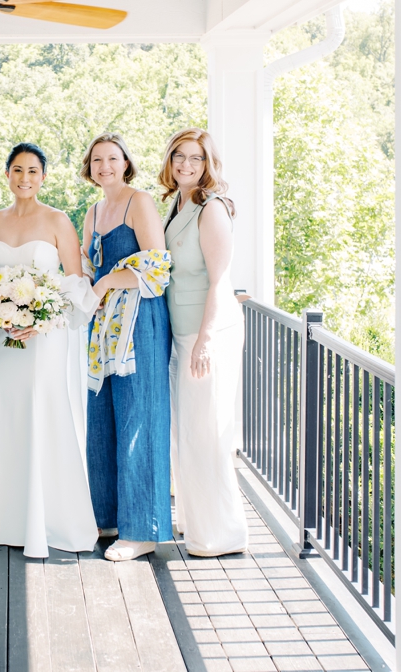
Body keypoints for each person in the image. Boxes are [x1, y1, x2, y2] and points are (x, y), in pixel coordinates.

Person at [0, 143, 99, 558]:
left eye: (33, 170)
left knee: (41, 414)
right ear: (6, 175)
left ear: (43, 177)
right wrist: (0, 315)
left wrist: (40, 318)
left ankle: (47, 522)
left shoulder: (58, 221)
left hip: (45, 338)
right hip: (3, 338)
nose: (25, 177)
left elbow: (74, 283)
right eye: (17, 170)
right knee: (0, 415)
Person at [81, 132, 173, 562]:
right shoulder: (92, 210)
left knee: (139, 419)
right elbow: (85, 264)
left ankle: (143, 530)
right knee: (100, 418)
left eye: (112, 159)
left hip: (141, 324)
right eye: (97, 160)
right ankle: (109, 516)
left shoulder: (141, 202)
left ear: (125, 162)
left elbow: (157, 265)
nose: (105, 166)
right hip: (103, 329)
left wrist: (105, 281)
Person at [161, 128, 248, 557]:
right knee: (187, 430)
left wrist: (206, 341)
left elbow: (220, 280)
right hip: (182, 329)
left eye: (196, 158)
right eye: (180, 156)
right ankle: (196, 522)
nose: (186, 165)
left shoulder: (212, 208)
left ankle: (221, 534)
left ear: (208, 163)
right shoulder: (178, 202)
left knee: (207, 432)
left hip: (207, 331)